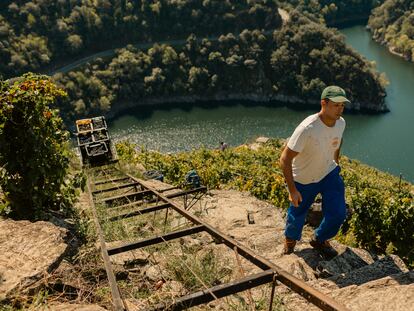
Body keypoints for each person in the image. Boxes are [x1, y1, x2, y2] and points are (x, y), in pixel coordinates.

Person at [279, 85, 349, 259]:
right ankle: (290, 243)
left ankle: (319, 238)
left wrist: (336, 163)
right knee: (297, 214)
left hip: (329, 173)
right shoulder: (307, 128)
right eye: (336, 105)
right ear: (323, 103)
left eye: (342, 105)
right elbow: (284, 159)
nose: (340, 109)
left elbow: (337, 142)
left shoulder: (341, 123)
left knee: (338, 213)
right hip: (304, 178)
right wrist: (292, 190)